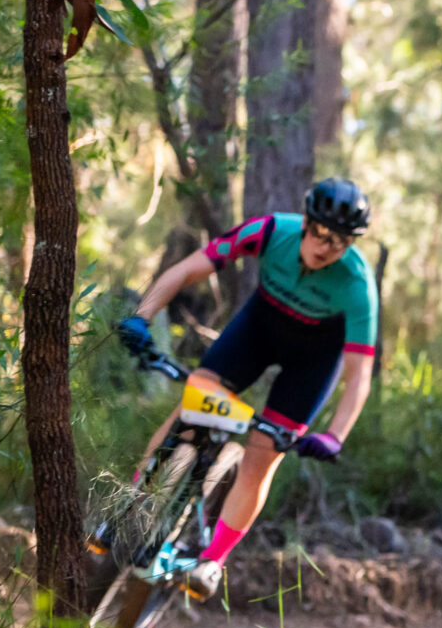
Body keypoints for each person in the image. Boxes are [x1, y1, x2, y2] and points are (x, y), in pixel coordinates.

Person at [114, 178, 379, 600]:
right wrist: (141, 316)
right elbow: (189, 268)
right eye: (320, 234)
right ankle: (132, 504)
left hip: (312, 361)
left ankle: (212, 561)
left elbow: (359, 372)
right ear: (306, 222)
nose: (326, 247)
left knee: (262, 455)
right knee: (192, 404)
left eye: (341, 241)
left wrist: (335, 435)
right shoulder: (272, 230)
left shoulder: (357, 283)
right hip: (258, 330)